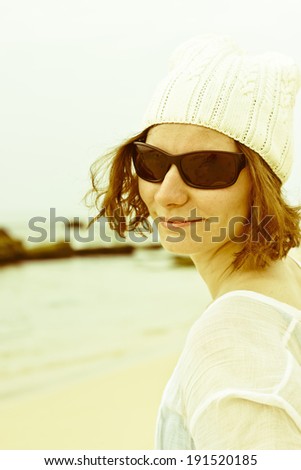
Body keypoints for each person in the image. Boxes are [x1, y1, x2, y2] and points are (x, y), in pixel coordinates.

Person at [88, 35, 301, 449]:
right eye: (151, 161)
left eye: (207, 167)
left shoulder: (231, 340)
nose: (168, 193)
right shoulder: (290, 273)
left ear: (261, 184)